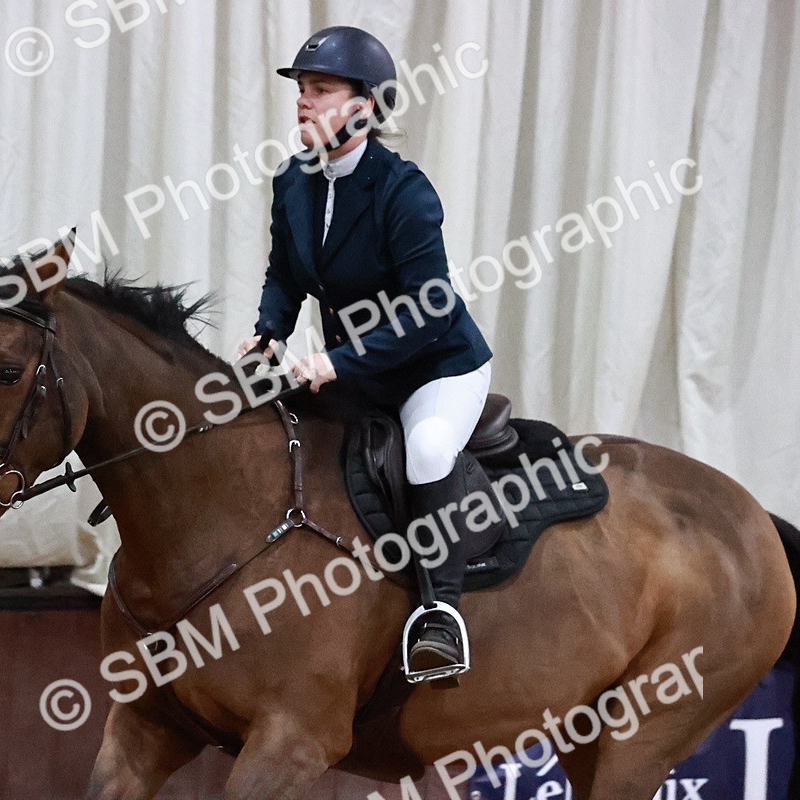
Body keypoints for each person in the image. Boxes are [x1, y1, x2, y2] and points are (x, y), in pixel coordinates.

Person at [236, 26, 493, 679]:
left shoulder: (404, 191)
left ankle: (441, 616)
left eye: (319, 89)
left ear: (363, 106)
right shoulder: (294, 182)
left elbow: (429, 308)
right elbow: (286, 274)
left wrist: (336, 363)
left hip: (435, 366)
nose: (302, 101)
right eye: (301, 89)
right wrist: (271, 331)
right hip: (358, 368)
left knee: (430, 447)